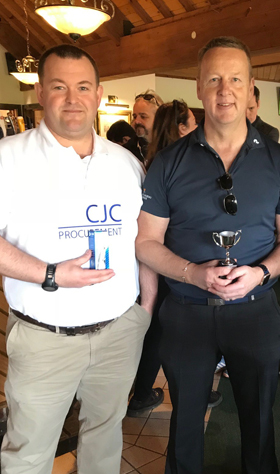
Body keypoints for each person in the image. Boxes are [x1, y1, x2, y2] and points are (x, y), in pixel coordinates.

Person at [135, 36, 280, 473]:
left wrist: (261, 273)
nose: (224, 90)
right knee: (185, 421)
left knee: (259, 419)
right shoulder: (167, 163)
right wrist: (192, 274)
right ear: (198, 87)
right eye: (213, 79)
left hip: (255, 311)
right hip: (187, 312)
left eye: (235, 79)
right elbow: (145, 242)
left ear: (250, 89)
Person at [0, 44, 153, 474]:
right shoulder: (8, 158)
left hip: (118, 333)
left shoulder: (126, 163)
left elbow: (143, 240)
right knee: (27, 455)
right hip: (43, 338)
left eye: (83, 87)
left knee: (104, 441)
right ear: (40, 92)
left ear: (99, 94)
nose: (73, 98)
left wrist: (144, 311)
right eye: (59, 87)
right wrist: (50, 273)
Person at [127, 99, 209, 418]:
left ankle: (143, 393)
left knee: (159, 333)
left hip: (153, 264)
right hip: (175, 265)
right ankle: (156, 394)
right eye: (193, 122)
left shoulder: (152, 162)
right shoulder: (182, 166)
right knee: (171, 335)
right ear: (182, 128)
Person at [133, 90, 162, 158]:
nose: (136, 121)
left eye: (143, 116)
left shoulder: (170, 148)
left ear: (158, 119)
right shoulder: (128, 150)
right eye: (134, 117)